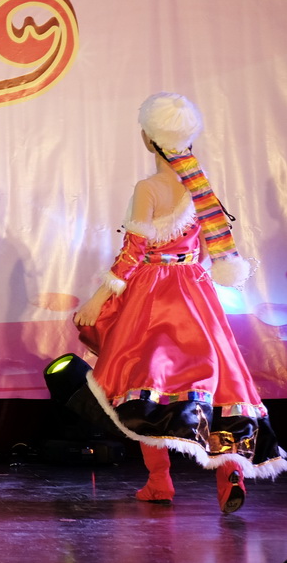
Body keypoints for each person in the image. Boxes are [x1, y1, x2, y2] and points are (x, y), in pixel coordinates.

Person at [73, 92, 284, 512]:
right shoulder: (199, 187)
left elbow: (134, 251)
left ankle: (159, 481)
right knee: (218, 383)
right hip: (197, 291)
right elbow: (207, 249)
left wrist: (99, 296)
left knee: (145, 384)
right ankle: (231, 473)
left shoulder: (149, 188)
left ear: (148, 139)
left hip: (154, 293)